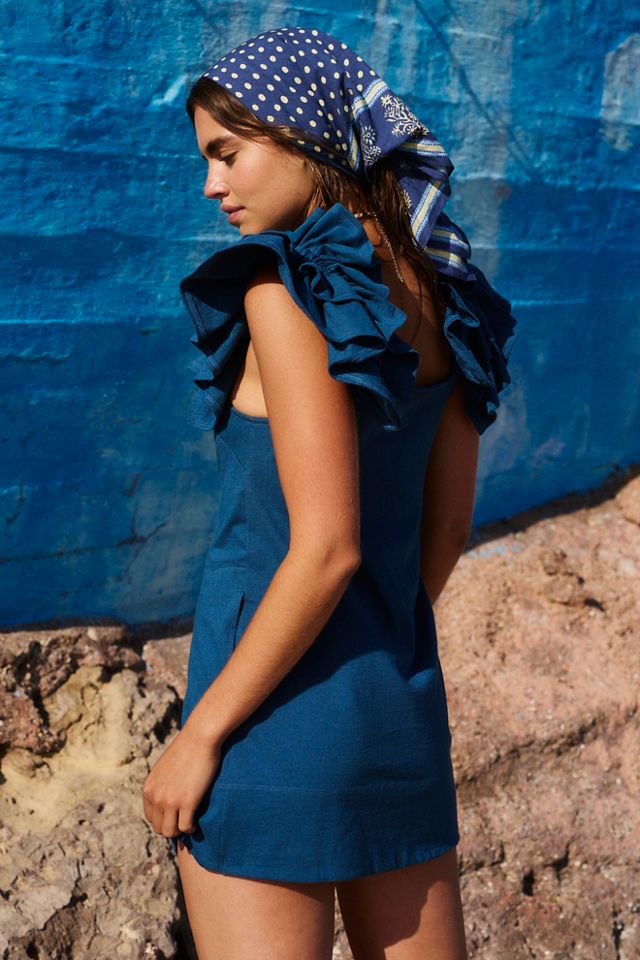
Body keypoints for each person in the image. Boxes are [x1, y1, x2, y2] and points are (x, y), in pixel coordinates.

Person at [142, 25, 517, 960]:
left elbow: (326, 548)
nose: (212, 185)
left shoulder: (283, 291)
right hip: (392, 707)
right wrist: (372, 638)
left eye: (228, 153)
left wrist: (200, 735)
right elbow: (447, 526)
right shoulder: (446, 292)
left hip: (266, 722)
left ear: (303, 135)